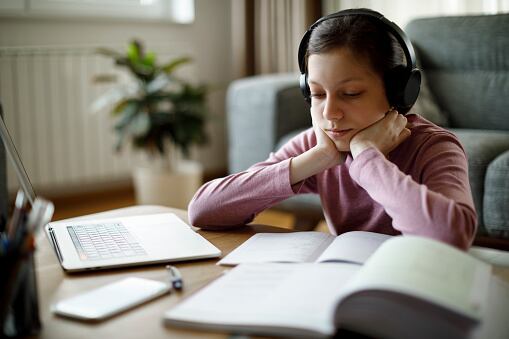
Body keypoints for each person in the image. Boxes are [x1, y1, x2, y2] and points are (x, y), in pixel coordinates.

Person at [189, 9, 477, 250]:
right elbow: (203, 209)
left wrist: (366, 157)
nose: (329, 113)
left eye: (351, 93)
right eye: (317, 94)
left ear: (398, 92)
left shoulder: (434, 147)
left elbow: (451, 238)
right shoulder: (323, 144)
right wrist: (317, 158)